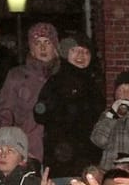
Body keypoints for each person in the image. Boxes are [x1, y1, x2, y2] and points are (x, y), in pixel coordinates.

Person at [0, 22, 60, 160]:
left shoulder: (64, 75)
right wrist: (9, 145)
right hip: (28, 148)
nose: (42, 47)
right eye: (37, 43)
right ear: (31, 48)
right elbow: (5, 113)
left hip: (61, 151)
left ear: (55, 46)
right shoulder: (17, 76)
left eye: (47, 42)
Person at [44, 36, 104, 176]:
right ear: (66, 53)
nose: (81, 56)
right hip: (62, 157)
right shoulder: (56, 81)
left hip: (89, 156)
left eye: (86, 52)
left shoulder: (94, 83)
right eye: (75, 50)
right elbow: (41, 113)